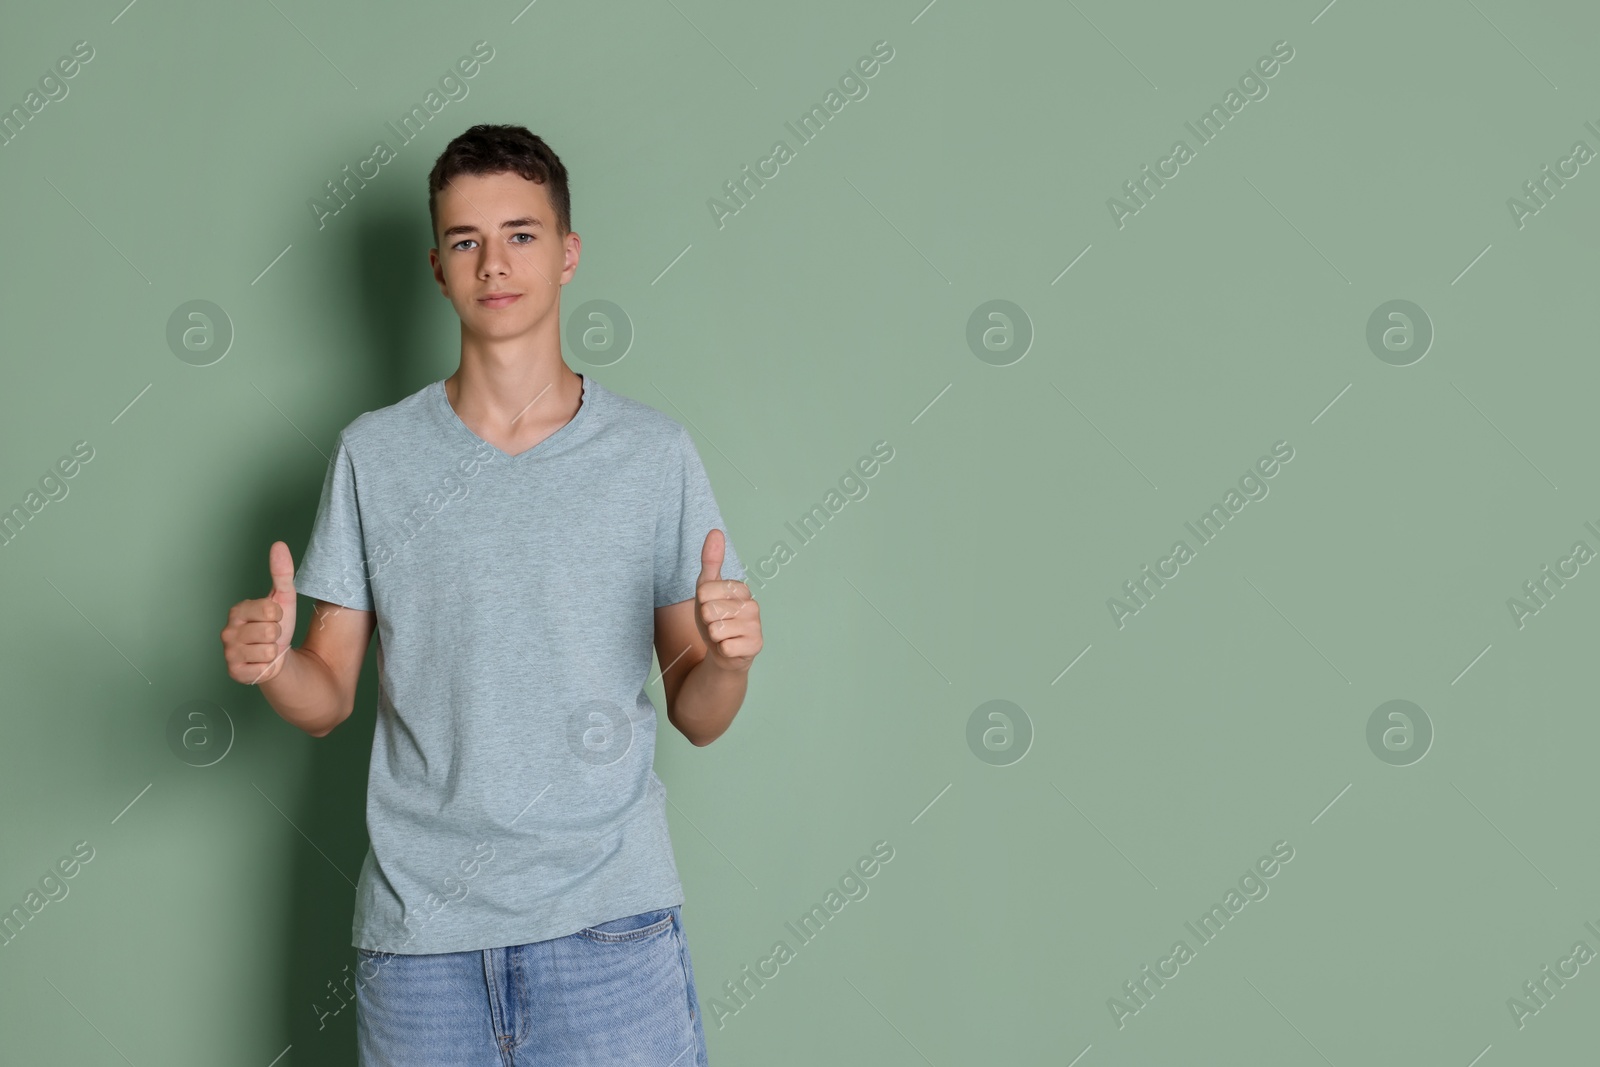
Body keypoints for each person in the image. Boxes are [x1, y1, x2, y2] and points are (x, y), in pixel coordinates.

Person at [219, 124, 763, 1066]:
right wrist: (275, 668)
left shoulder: (652, 455)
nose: (495, 262)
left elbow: (700, 715)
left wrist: (726, 661)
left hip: (609, 934)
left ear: (567, 252)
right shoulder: (373, 456)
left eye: (521, 233)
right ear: (437, 266)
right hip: (420, 950)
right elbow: (326, 697)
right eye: (467, 240)